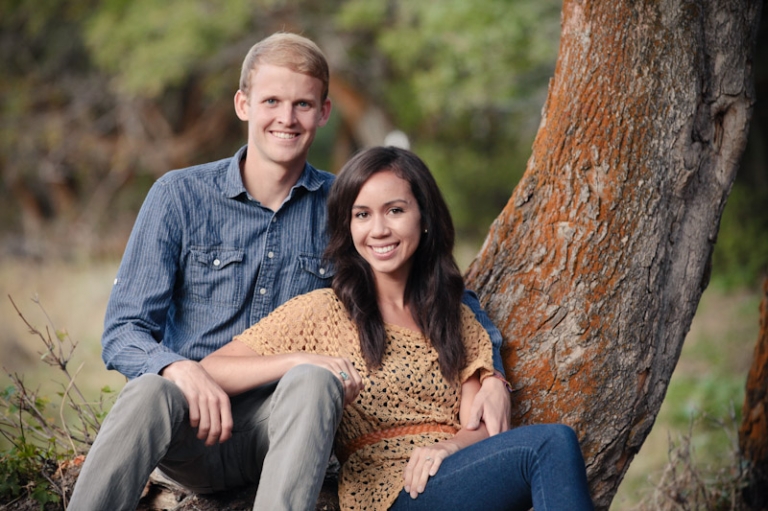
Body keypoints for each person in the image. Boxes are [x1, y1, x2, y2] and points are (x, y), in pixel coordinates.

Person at [68, 32, 510, 510]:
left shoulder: (347, 205)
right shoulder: (179, 196)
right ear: (243, 104)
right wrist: (182, 369)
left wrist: (492, 376)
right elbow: (123, 332)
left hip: (290, 429)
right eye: (272, 101)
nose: (286, 118)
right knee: (152, 388)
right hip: (187, 429)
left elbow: (434, 284)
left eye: (302, 104)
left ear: (323, 113)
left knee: (313, 380)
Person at [201, 146, 594, 511]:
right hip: (389, 489)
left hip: (452, 471)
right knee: (551, 442)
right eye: (362, 214)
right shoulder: (321, 312)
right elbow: (214, 368)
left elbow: (484, 426)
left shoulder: (454, 316)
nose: (379, 230)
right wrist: (303, 360)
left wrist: (448, 447)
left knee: (550, 444)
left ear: (424, 218)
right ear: (348, 226)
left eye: (394, 210)